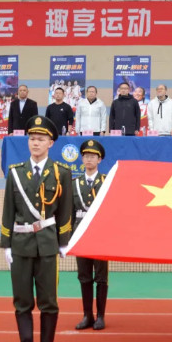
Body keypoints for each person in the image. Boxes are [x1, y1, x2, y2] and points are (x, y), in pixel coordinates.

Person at [0, 115, 73, 342]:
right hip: (20, 243)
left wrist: (64, 241)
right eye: (32, 138)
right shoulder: (16, 173)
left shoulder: (61, 173)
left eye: (41, 139)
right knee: (21, 301)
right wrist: (6, 244)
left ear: (51, 143)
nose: (35, 143)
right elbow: (8, 209)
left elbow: (66, 210)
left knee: (48, 301)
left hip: (46, 243)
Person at [73, 140, 109, 330]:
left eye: (93, 156)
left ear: (99, 159)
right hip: (80, 234)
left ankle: (101, 316)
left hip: (100, 235)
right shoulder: (75, 183)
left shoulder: (106, 182)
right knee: (84, 276)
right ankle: (87, 315)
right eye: (86, 156)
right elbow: (70, 212)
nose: (89, 159)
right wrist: (69, 237)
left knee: (101, 277)